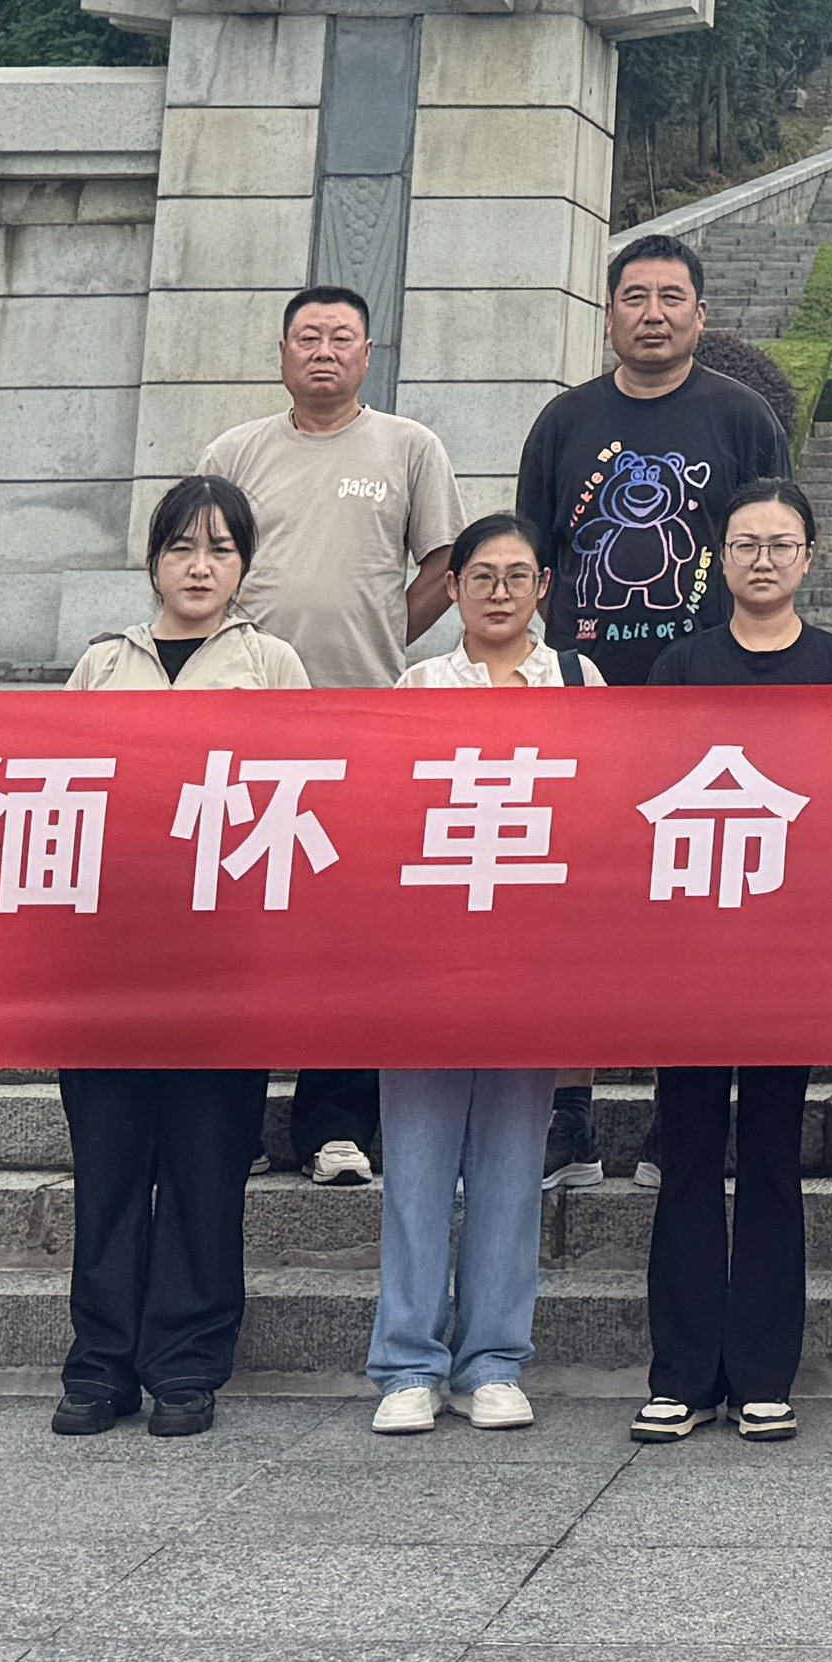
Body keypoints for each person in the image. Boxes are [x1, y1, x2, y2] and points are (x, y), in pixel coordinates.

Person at [50, 474, 303, 1439]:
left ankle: (188, 1364)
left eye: (221, 550)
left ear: (244, 566)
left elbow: (302, 800)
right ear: (153, 560)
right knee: (109, 1167)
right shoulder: (102, 664)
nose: (200, 568)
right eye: (182, 548)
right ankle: (100, 1365)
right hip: (107, 960)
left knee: (205, 1169)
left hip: (221, 963)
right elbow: (59, 793)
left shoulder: (271, 663)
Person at [203, 284, 460, 1192]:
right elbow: (204, 557)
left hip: (363, 718)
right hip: (249, 718)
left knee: (350, 930)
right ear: (281, 354)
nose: (323, 351)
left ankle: (336, 1123)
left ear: (367, 353)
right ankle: (228, 1122)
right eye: (307, 337)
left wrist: (387, 631)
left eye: (341, 337)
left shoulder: (408, 447)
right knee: (239, 923)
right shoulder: (236, 453)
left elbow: (444, 562)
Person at [630, 475, 832, 1443]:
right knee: (686, 1152)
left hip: (788, 952)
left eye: (781, 545)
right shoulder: (681, 664)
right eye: (746, 544)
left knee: (770, 1155)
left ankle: (765, 1372)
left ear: (810, 559)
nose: (763, 560)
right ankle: (681, 1374)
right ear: (719, 560)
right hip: (690, 950)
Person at [370, 519, 591, 1437]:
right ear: (452, 587)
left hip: (532, 958)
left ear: (544, 587)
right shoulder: (417, 687)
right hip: (428, 960)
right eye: (482, 577)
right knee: (417, 1168)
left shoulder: (578, 682)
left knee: (509, 1167)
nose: (500, 592)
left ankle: (494, 1360)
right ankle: (407, 1365)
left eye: (517, 576)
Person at [515, 227, 792, 683]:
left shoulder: (744, 418)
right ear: (609, 315)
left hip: (715, 678)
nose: (653, 314)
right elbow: (532, 554)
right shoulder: (564, 421)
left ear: (700, 316)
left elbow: (779, 543)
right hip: (584, 680)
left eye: (672, 298)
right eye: (635, 298)